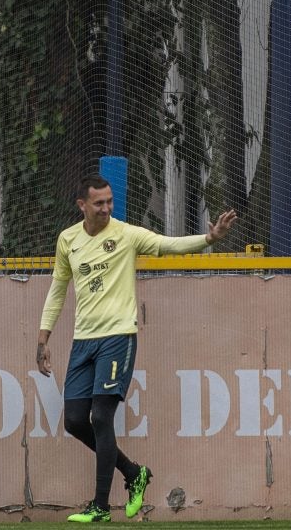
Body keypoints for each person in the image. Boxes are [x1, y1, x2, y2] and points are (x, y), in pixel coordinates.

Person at [36, 173, 237, 523]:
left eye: (109, 201)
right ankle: (133, 473)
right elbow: (57, 289)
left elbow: (167, 244)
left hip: (118, 337)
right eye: (98, 203)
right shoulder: (68, 240)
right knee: (72, 421)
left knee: (100, 417)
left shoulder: (126, 235)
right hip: (83, 341)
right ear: (82, 205)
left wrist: (210, 238)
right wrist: (44, 337)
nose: (106, 208)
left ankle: (100, 506)